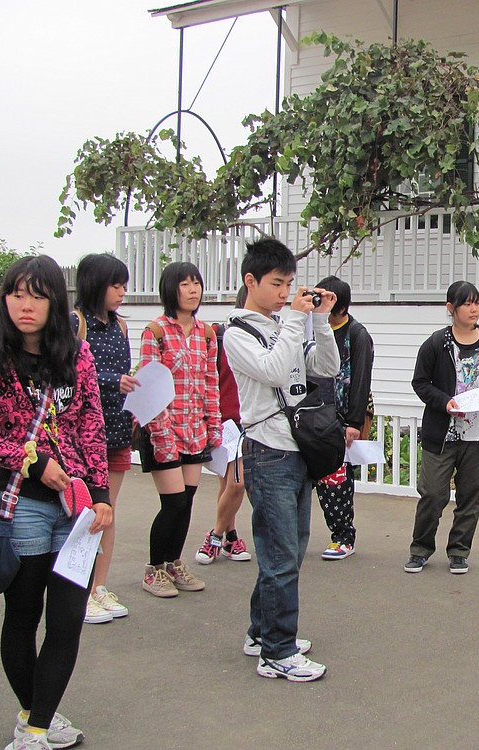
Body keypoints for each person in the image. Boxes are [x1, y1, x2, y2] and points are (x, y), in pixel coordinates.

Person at [0, 255, 113, 750]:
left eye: (38, 295)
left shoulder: (78, 356)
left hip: (75, 509)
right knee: (23, 613)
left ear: (56, 300)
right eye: (16, 294)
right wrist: (27, 462)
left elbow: (91, 427)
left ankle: (35, 726)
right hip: (20, 504)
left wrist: (101, 497)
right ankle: (35, 722)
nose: (25, 305)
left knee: (68, 617)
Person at [222, 238, 339, 683]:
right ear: (250, 281)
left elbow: (324, 367)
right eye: (277, 283)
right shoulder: (237, 332)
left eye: (290, 284)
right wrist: (295, 318)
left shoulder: (281, 325)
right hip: (268, 452)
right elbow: (273, 371)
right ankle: (277, 651)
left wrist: (321, 320)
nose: (285, 292)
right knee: (280, 554)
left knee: (287, 550)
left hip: (295, 452)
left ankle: (262, 632)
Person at [405, 280, 479, 575]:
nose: (474, 309)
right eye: (466, 303)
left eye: (477, 302)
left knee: (471, 495)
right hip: (443, 434)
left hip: (478, 435)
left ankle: (459, 551)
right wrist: (444, 401)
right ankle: (420, 548)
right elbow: (420, 383)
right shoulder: (437, 344)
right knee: (433, 494)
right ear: (450, 308)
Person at [138, 261, 221, 598]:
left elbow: (210, 382)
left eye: (196, 283)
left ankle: (173, 563)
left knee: (186, 502)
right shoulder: (155, 331)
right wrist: (160, 436)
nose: (192, 290)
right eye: (185, 284)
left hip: (195, 430)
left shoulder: (206, 333)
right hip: (164, 431)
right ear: (171, 289)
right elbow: (148, 385)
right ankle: (153, 568)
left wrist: (213, 425)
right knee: (171, 503)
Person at [71, 253, 139, 624]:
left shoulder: (121, 327)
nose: (122, 292)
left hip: (117, 431)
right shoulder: (74, 323)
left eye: (124, 285)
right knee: (83, 515)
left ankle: (99, 587)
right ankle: (77, 592)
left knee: (107, 513)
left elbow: (124, 372)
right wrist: (113, 380)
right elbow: (68, 375)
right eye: (116, 285)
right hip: (82, 439)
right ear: (96, 284)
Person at [312, 275, 374, 560]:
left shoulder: (357, 334)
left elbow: (361, 379)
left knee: (338, 479)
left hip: (343, 417)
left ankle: (343, 536)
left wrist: (353, 422)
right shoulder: (315, 328)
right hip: (315, 415)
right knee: (316, 478)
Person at [195, 287, 252, 566]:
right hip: (226, 422)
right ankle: (217, 535)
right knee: (235, 484)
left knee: (230, 484)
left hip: (251, 421)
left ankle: (228, 536)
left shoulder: (267, 337)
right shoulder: (220, 336)